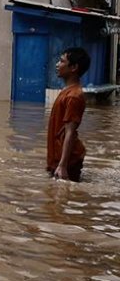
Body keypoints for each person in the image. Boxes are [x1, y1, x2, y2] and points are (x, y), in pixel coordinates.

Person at [47, 47, 90, 182]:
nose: (57, 64)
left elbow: (70, 131)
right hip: (60, 158)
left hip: (67, 161)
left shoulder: (73, 96)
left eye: (61, 61)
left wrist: (63, 165)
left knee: (63, 199)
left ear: (74, 67)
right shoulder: (68, 91)